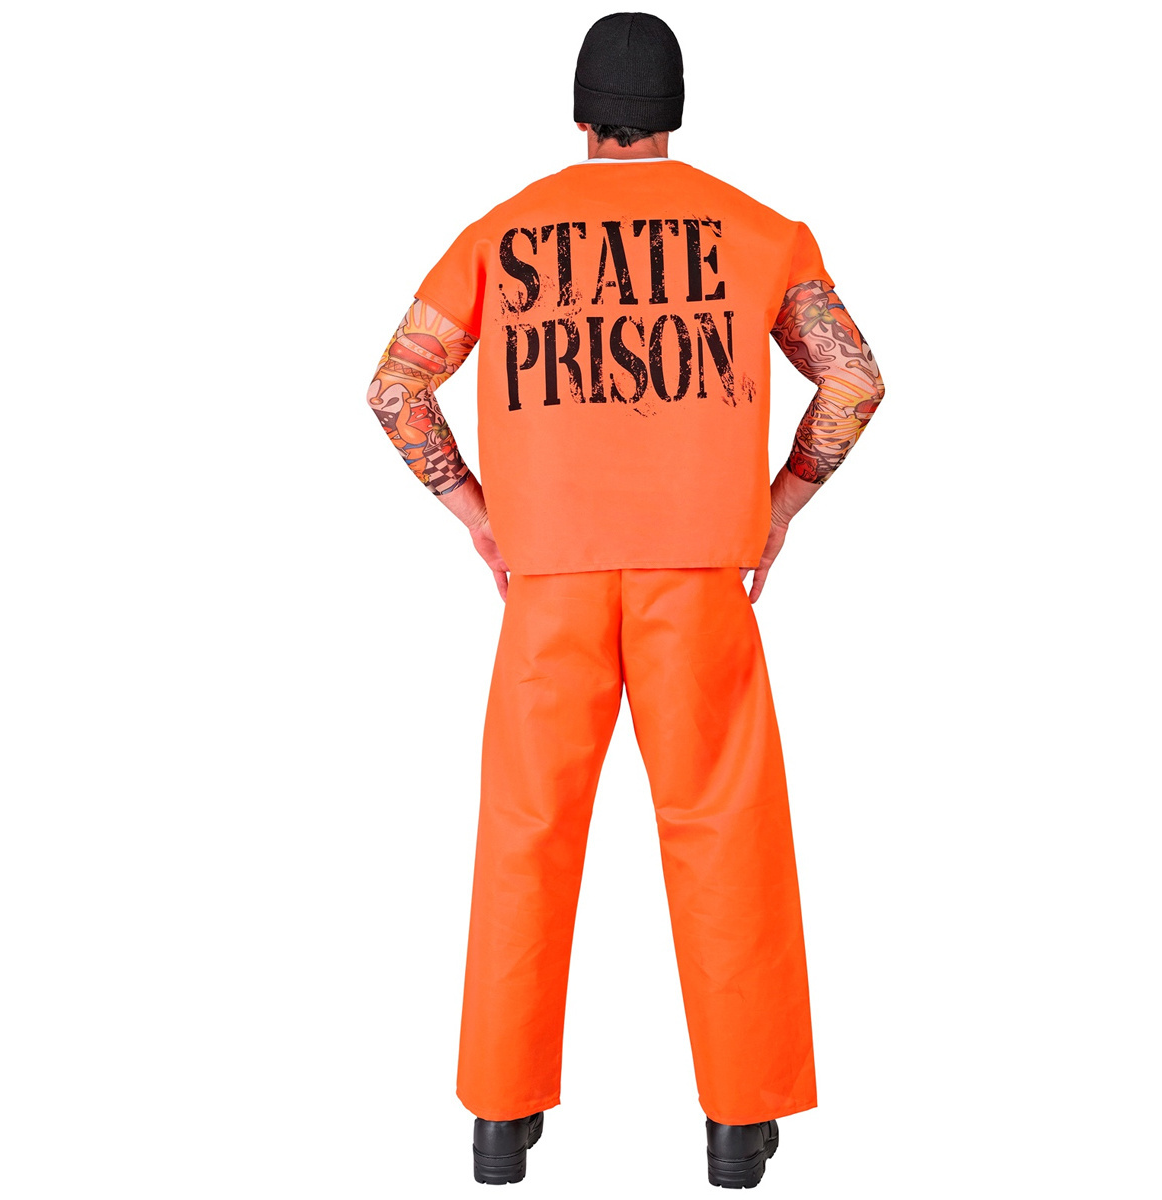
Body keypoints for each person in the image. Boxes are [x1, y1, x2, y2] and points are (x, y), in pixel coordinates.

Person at [365, 12, 885, 1188]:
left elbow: (396, 384)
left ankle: (500, 1120)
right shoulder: (760, 232)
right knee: (722, 830)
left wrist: (476, 514)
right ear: (675, 114)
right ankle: (738, 1126)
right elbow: (853, 380)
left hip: (546, 578)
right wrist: (781, 505)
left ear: (579, 116)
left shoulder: (501, 232)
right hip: (698, 578)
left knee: (527, 832)